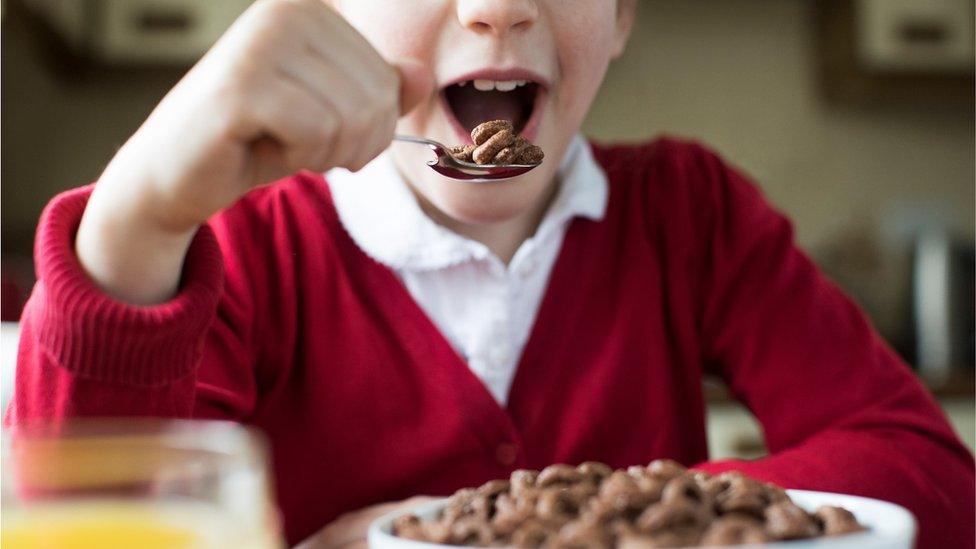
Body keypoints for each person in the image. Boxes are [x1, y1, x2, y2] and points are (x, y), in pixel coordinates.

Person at [8, 0, 973, 547]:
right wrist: (138, 217)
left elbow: (931, 474)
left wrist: (581, 524)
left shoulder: (691, 216)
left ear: (625, 12)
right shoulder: (243, 249)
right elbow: (88, 518)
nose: (498, 7)